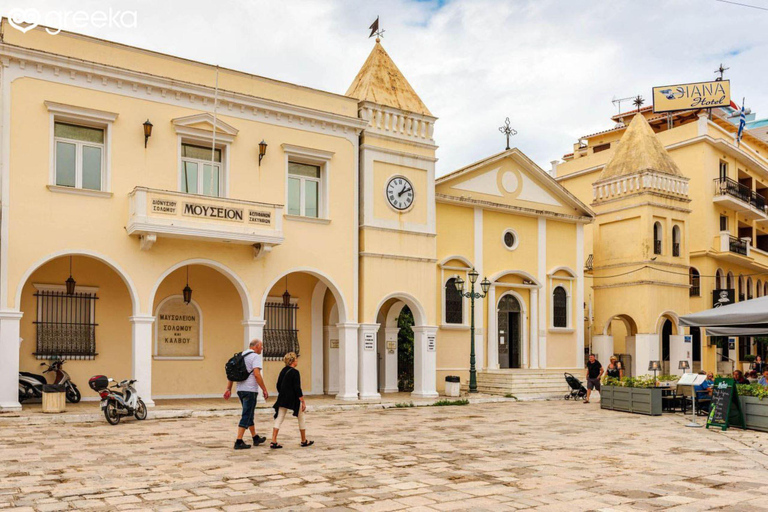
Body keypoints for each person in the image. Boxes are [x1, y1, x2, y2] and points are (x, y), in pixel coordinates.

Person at [224, 339, 269, 450]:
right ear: (256, 346)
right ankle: (239, 441)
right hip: (250, 390)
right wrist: (264, 389)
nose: (262, 348)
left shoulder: (241, 355)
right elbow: (257, 375)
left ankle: (255, 437)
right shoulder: (255, 357)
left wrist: (228, 388)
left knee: (249, 414)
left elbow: (232, 374)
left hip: (240, 390)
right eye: (261, 346)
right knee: (246, 414)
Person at [271, 352, 313, 449]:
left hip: (283, 397)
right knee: (301, 417)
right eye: (296, 359)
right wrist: (302, 401)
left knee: (279, 418)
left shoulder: (283, 371)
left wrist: (283, 393)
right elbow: (297, 388)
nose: (297, 361)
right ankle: (303, 440)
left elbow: (278, 385)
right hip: (293, 399)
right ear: (293, 361)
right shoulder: (295, 372)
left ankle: (273, 440)